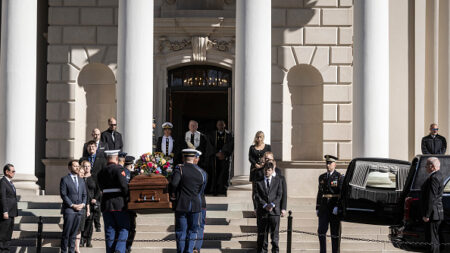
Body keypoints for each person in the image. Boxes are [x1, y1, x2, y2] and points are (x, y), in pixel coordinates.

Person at [171, 149, 207, 253]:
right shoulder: (202, 172)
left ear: (183, 158)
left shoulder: (179, 169)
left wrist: (173, 194)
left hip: (182, 204)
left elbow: (174, 184)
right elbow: (202, 190)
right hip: (196, 205)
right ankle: (189, 250)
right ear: (194, 158)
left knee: (181, 231)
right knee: (193, 230)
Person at [97, 150, 130, 253]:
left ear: (107, 159)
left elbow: (101, 187)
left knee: (110, 231)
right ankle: (119, 250)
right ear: (116, 158)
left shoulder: (101, 172)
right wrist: (127, 198)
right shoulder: (119, 169)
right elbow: (124, 186)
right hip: (119, 203)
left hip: (106, 204)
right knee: (124, 228)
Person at [253, 162, 283, 253]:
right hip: (263, 212)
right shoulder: (258, 181)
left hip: (274, 213)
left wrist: (272, 205)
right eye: (265, 170)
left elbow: (279, 195)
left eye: (269, 170)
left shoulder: (278, 180)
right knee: (262, 237)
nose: (267, 172)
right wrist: (265, 205)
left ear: (272, 170)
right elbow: (256, 195)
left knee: (275, 237)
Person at [316, 155, 343, 253]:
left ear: (335, 164)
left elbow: (341, 194)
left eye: (330, 163)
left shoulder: (339, 177)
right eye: (326, 163)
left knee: (335, 233)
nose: (328, 165)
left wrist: (337, 206)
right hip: (324, 207)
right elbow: (319, 193)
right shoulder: (322, 177)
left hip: (333, 207)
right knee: (321, 232)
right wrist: (317, 207)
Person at [60, 160, 87, 253]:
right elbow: (63, 195)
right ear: (69, 167)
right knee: (66, 233)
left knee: (74, 234)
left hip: (79, 210)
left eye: (78, 166)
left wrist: (83, 204)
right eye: (74, 166)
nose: (77, 168)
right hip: (69, 210)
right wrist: (72, 205)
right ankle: (64, 251)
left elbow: (84, 194)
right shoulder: (65, 179)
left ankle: (72, 251)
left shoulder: (81, 180)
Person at [420, 157, 444, 253]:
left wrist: (427, 215)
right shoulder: (439, 175)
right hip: (436, 213)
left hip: (433, 215)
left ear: (432, 167)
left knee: (432, 240)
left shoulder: (434, 178)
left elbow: (431, 198)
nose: (425, 168)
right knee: (435, 239)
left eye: (426, 165)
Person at [82, 140, 106, 232]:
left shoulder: (102, 160)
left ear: (96, 148)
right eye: (89, 147)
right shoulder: (83, 159)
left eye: (93, 147)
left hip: (97, 185)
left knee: (97, 206)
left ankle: (97, 224)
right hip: (86, 184)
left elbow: (104, 174)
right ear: (87, 148)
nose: (91, 148)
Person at [207, 120, 234, 196]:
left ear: (224, 125)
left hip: (224, 157)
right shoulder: (212, 134)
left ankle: (223, 189)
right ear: (216, 125)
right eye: (219, 125)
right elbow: (210, 145)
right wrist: (216, 153)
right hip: (215, 157)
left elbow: (230, 145)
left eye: (222, 125)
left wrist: (224, 153)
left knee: (224, 173)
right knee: (215, 173)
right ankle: (214, 189)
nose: (220, 126)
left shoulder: (229, 135)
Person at [80, 160, 100, 248]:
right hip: (82, 203)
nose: (86, 168)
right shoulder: (80, 177)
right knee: (82, 222)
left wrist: (95, 198)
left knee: (90, 222)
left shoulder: (94, 178)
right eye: (85, 166)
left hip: (91, 203)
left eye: (88, 166)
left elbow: (98, 190)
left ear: (90, 167)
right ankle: (81, 239)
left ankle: (88, 240)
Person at [262, 152, 287, 218]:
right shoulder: (262, 173)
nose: (269, 162)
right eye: (267, 160)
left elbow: (283, 193)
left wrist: (283, 208)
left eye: (271, 160)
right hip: (263, 209)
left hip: (276, 209)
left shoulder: (280, 176)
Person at [0, 164, 17, 252]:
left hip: (12, 212)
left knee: (9, 233)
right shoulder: (3, 182)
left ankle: (6, 249)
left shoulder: (10, 182)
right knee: (3, 233)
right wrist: (5, 211)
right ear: (7, 172)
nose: (14, 173)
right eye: (13, 171)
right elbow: (3, 197)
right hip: (7, 212)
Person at [193, 150, 207, 253]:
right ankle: (196, 248)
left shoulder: (181, 170)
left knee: (196, 226)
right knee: (199, 227)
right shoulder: (202, 172)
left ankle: (195, 248)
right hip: (199, 202)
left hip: (196, 202)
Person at [124, 155, 137, 253]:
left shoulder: (121, 172)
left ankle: (124, 246)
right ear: (131, 165)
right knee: (131, 228)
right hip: (130, 204)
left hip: (122, 204)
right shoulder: (133, 175)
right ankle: (128, 246)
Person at [74, 166, 89, 253]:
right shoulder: (72, 181)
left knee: (79, 230)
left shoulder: (83, 182)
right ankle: (72, 247)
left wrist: (87, 208)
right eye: (81, 173)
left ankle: (77, 248)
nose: (82, 175)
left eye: (83, 173)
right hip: (73, 208)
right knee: (73, 229)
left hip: (82, 209)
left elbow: (86, 196)